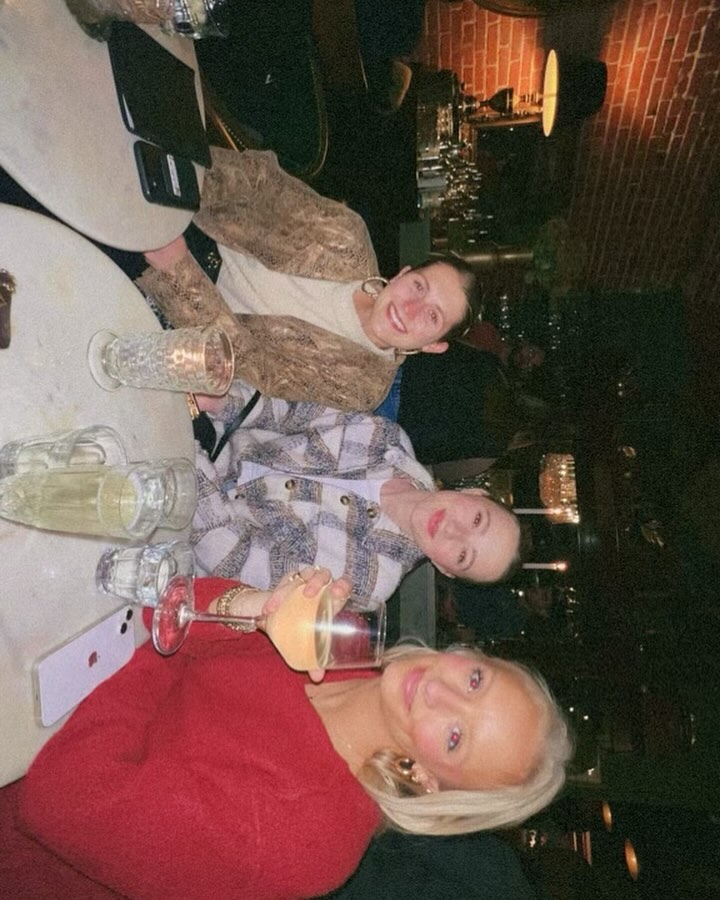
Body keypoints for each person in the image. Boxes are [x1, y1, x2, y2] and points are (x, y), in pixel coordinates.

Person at [11, 569, 572, 900]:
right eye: (475, 681)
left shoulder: (308, 842)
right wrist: (254, 606)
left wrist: (168, 645)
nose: (439, 692)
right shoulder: (348, 642)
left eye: (454, 737)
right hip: (42, 667)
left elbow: (60, 800)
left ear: (427, 781)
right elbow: (175, 599)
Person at [138, 148, 481, 411]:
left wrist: (177, 271)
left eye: (432, 316)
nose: (410, 307)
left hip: (171, 316)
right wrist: (186, 186)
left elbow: (250, 370)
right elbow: (261, 180)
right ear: (404, 273)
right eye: (419, 286)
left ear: (434, 345)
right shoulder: (347, 237)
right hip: (187, 215)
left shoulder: (361, 385)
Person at [192, 381, 521, 605]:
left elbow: (230, 558)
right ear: (475, 493)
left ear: (445, 569)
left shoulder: (366, 582)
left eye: (462, 555)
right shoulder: (387, 439)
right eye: (477, 520)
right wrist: (222, 401)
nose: (454, 531)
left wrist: (190, 461)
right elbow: (288, 413)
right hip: (210, 435)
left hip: (183, 520)